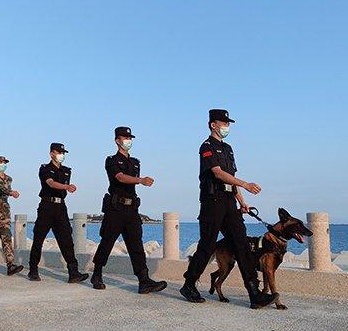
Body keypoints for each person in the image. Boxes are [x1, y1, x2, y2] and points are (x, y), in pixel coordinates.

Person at [179, 109, 276, 309]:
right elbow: (218, 173)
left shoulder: (229, 148)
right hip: (212, 202)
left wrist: (242, 200)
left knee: (241, 244)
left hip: (229, 203)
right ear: (213, 125)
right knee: (207, 245)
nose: (226, 127)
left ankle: (254, 293)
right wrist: (246, 185)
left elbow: (231, 179)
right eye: (223, 123)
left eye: (228, 123)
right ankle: (189, 284)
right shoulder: (206, 147)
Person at [91, 127, 167, 294]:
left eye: (130, 137)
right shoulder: (111, 160)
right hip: (115, 208)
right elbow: (119, 177)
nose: (128, 140)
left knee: (136, 244)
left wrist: (138, 181)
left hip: (132, 209)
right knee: (107, 241)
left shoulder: (135, 162)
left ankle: (144, 280)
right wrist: (140, 180)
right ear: (117, 140)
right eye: (124, 137)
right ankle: (97, 274)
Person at [28, 143, 89, 283]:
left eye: (63, 153)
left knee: (67, 240)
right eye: (59, 152)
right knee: (39, 238)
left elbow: (61, 188)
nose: (62, 155)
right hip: (47, 206)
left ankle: (73, 273)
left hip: (61, 208)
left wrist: (66, 188)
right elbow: (50, 183)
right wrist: (67, 186)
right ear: (51, 154)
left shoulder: (67, 171)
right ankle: (33, 270)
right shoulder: (45, 168)